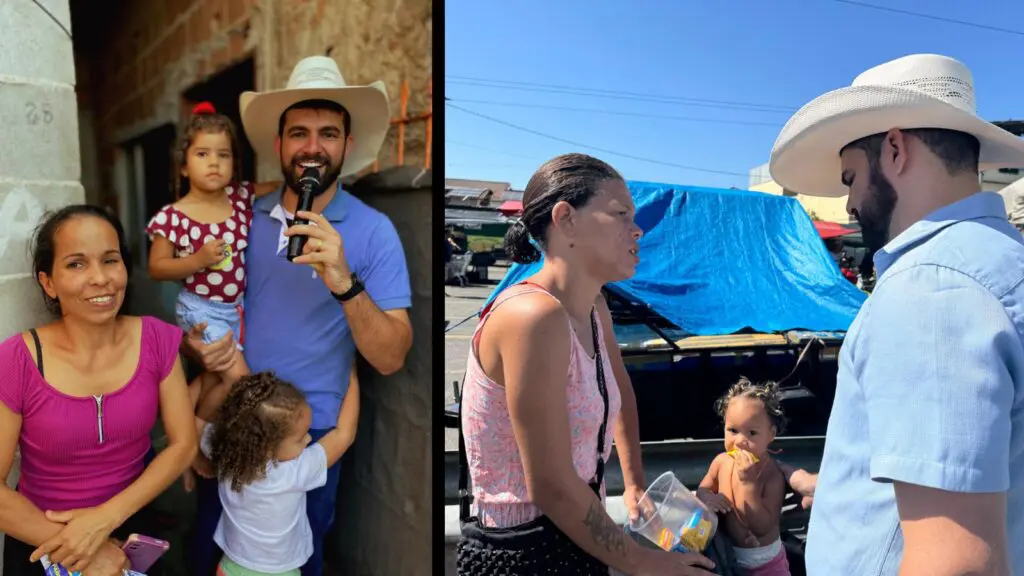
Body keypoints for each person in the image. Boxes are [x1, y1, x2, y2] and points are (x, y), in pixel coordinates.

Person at [769, 53, 1024, 574]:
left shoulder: (930, 287)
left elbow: (955, 563)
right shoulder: (1001, 260)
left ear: (894, 148)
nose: (849, 205)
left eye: (850, 178)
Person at [186, 56, 413, 576]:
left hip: (307, 442)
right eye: (300, 133)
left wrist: (343, 281)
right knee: (210, 558)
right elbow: (200, 313)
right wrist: (196, 351)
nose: (313, 147)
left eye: (328, 134)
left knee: (300, 566)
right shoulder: (239, 221)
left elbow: (392, 357)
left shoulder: (374, 231)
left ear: (347, 146)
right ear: (280, 145)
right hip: (229, 429)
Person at [457, 153, 714, 575]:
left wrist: (634, 485)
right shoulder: (532, 316)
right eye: (620, 214)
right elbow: (552, 485)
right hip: (525, 553)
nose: (638, 229)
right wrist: (647, 564)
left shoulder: (594, 306)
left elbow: (620, 392)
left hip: (575, 539)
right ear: (566, 219)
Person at [0, 205, 197, 575]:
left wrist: (104, 521)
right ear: (48, 282)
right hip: (42, 540)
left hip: (131, 534)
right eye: (76, 264)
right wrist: (87, 548)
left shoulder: (155, 338)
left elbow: (183, 443)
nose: (100, 278)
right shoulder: (18, 359)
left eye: (110, 260)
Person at [146, 102, 278, 490]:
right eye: (202, 154)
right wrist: (198, 259)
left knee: (212, 381)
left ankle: (175, 436)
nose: (214, 163)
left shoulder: (238, 199)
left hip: (233, 311)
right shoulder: (174, 216)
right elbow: (157, 267)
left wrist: (301, 180)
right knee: (240, 380)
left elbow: (272, 189)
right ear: (184, 165)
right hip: (200, 310)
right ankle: (191, 446)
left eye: (223, 155)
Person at [201, 369, 359, 576]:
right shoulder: (292, 473)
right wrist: (351, 376)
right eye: (300, 437)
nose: (309, 439)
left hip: (230, 566)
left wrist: (223, 384)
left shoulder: (224, 454)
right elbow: (343, 435)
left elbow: (201, 422)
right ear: (268, 447)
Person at [697, 379, 790, 576]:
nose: (739, 441)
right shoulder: (721, 462)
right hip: (730, 556)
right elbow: (703, 488)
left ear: (771, 435)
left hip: (765, 561)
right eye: (732, 430)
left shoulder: (771, 474)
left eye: (752, 433)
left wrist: (749, 484)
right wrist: (709, 499)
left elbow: (762, 527)